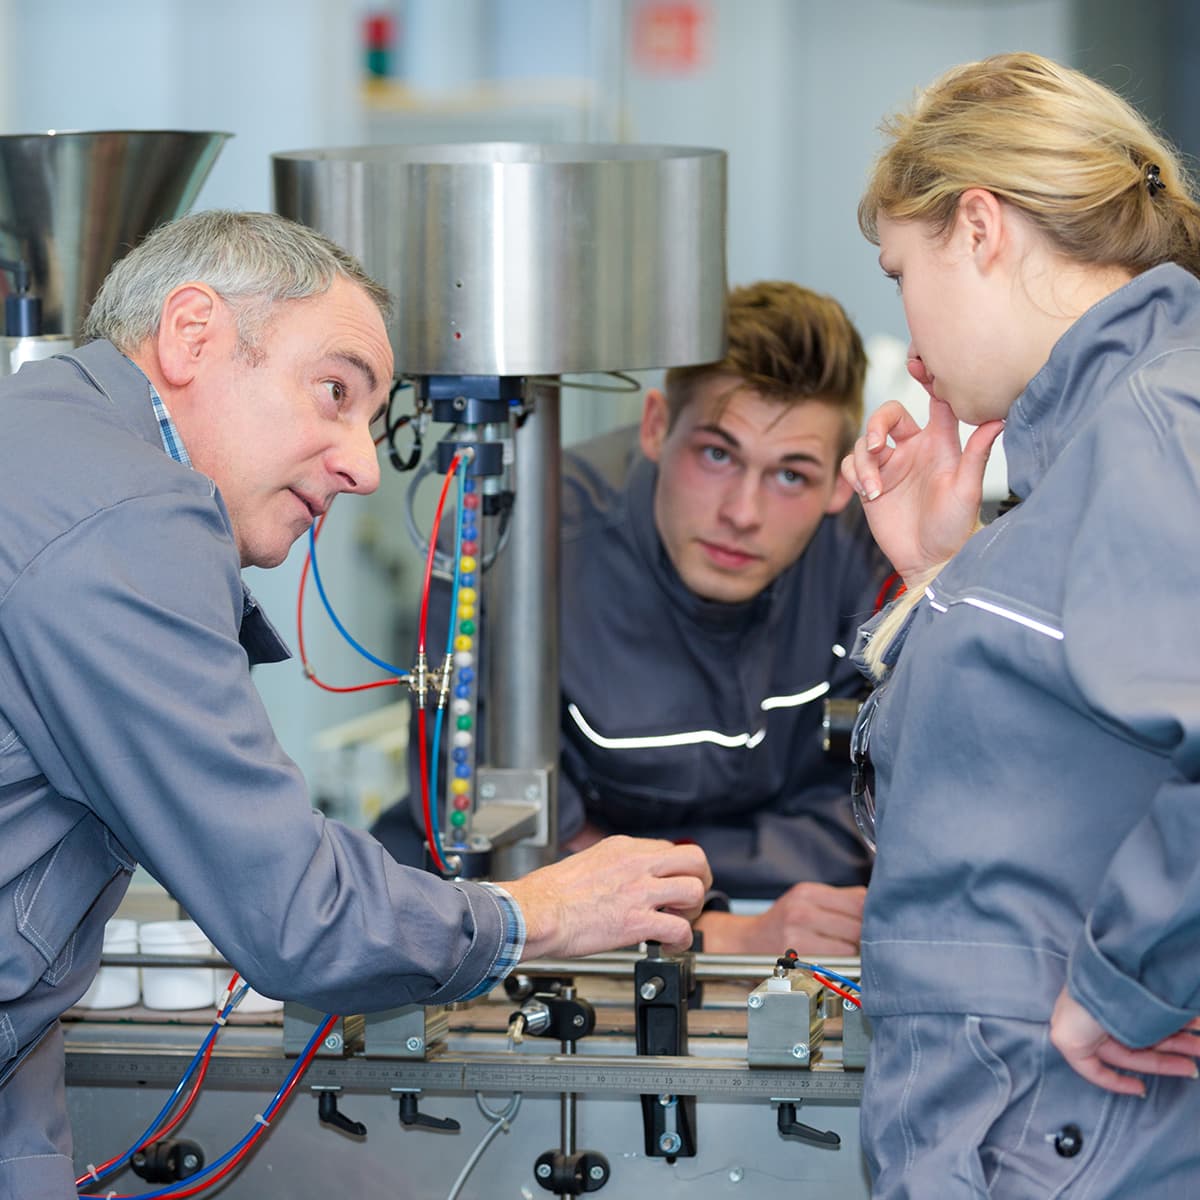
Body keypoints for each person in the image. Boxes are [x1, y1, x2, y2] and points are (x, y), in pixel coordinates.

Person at [0, 209, 712, 1198]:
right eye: (333, 391)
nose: (364, 466)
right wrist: (531, 913)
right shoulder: (126, 516)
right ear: (190, 333)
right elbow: (297, 917)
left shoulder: (42, 431)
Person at [840, 52, 1200, 1198]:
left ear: (981, 227)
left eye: (902, 269)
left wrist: (1125, 983)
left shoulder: (1152, 420)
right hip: (1031, 1115)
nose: (910, 322)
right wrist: (941, 574)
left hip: (1063, 1119)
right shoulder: (1099, 446)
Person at [374, 281, 893, 954]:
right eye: (717, 454)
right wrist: (719, 928)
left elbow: (876, 806)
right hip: (534, 932)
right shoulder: (522, 544)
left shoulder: (869, 559)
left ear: (840, 484)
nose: (743, 512)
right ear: (655, 427)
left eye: (791, 475)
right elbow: (491, 836)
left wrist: (642, 873)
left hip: (785, 921)